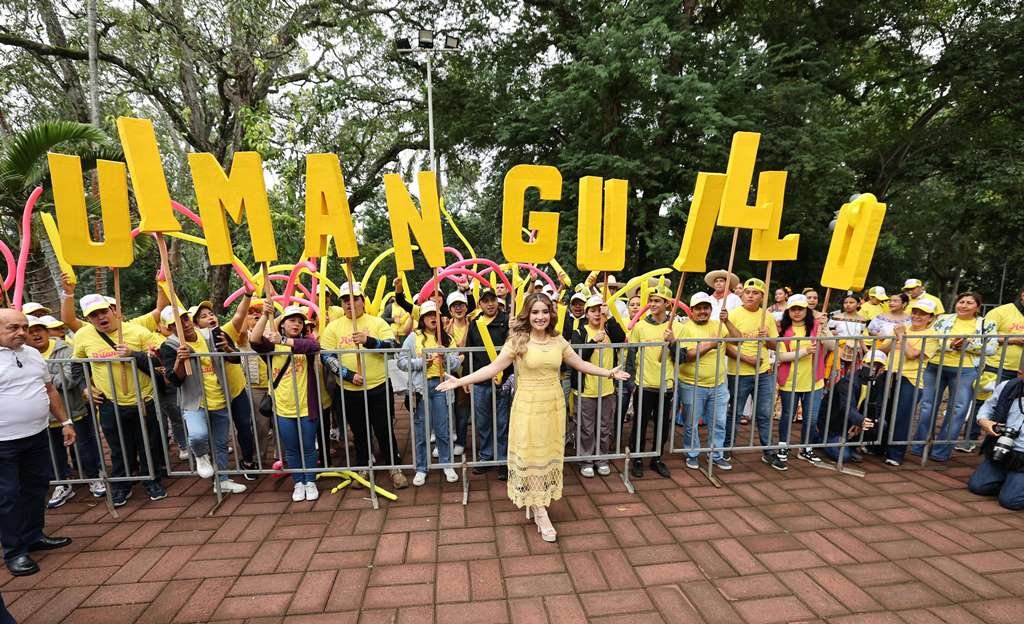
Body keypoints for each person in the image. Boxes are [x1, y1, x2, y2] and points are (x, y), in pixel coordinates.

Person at [437, 293, 629, 541]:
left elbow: (580, 364)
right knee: (532, 455)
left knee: (547, 454)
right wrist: (461, 380)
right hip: (528, 407)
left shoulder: (558, 341)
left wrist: (609, 373)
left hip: (554, 406)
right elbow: (493, 367)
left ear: (551, 314)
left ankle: (536, 502)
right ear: (528, 314)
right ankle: (540, 511)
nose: (540, 317)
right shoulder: (518, 340)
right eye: (535, 312)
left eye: (544, 312)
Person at [72, 294, 167, 505]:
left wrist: (135, 354)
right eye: (93, 315)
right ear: (88, 319)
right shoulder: (82, 336)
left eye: (103, 312)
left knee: (148, 445)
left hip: (144, 400)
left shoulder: (139, 332)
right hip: (109, 403)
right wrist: (85, 387)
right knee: (117, 446)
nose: (100, 318)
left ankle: (152, 480)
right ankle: (121, 485)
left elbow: (160, 366)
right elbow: (77, 366)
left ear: (114, 310)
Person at [0, 308, 74, 577]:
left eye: (24, 326)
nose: (22, 332)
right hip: (3, 442)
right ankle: (15, 551)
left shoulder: (32, 354)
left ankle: (33, 536)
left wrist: (65, 422)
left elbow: (49, 388)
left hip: (37, 435)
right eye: (13, 328)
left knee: (37, 487)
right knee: (7, 496)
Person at [320, 282, 407, 489]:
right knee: (358, 431)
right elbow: (326, 357)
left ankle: (394, 467)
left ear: (363, 300)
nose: (350, 304)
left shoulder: (377, 323)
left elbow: (392, 346)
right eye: (345, 300)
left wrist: (369, 341)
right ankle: (364, 468)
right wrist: (348, 375)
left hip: (378, 387)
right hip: (349, 390)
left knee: (384, 428)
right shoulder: (333, 327)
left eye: (354, 299)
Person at [158, 307, 247, 495]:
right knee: (198, 435)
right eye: (176, 323)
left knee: (221, 443)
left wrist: (226, 348)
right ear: (170, 328)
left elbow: (236, 358)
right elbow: (174, 379)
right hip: (194, 402)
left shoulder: (210, 334)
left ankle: (221, 480)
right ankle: (200, 455)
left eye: (185, 319)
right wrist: (180, 361)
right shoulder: (169, 346)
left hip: (219, 398)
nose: (183, 324)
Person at [22, 316, 103, 507]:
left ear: (47, 330)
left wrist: (39, 380)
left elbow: (68, 379)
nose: (35, 334)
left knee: (84, 447)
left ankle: (93, 477)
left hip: (73, 410)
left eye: (39, 329)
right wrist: (46, 380)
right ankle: (62, 483)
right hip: (44, 416)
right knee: (54, 452)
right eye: (31, 331)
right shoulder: (22, 355)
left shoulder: (65, 348)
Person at [250, 305, 326, 501]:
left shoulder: (304, 342)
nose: (296, 324)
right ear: (282, 323)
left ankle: (310, 481)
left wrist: (285, 340)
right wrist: (266, 316)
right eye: (292, 320)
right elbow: (254, 340)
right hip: (283, 408)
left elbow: (314, 347)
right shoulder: (272, 346)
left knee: (309, 446)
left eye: (300, 321)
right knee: (291, 448)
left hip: (306, 407)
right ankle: (298, 482)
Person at [912, 292, 995, 461]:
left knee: (957, 410)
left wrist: (968, 344)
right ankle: (919, 445)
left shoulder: (986, 324)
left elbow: (992, 347)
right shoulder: (943, 319)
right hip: (935, 366)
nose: (963, 305)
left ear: (977, 307)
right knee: (927, 406)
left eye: (969, 303)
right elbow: (934, 339)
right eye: (961, 301)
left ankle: (941, 451)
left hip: (966, 370)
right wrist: (952, 344)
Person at [191, 297, 259, 479]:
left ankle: (248, 461)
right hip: (211, 395)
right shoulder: (193, 343)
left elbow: (239, 314)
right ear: (196, 324)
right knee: (214, 434)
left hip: (236, 390)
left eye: (211, 314)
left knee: (244, 426)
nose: (210, 317)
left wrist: (247, 295)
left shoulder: (225, 331)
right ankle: (218, 470)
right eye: (203, 316)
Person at [397, 301, 462, 485]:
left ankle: (446, 463)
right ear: (423, 318)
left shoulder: (447, 338)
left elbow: (457, 363)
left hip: (442, 386)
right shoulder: (412, 338)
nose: (433, 318)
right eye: (428, 315)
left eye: (435, 314)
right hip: (420, 389)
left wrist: (446, 357)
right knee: (421, 429)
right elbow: (402, 362)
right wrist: (421, 363)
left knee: (443, 428)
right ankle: (421, 468)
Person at [724, 278, 784, 470]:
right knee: (735, 412)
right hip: (738, 373)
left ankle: (768, 451)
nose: (750, 295)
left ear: (762, 296)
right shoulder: (732, 314)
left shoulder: (767, 317)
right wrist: (746, 359)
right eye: (747, 291)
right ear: (742, 294)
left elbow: (775, 344)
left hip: (764, 373)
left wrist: (766, 338)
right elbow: (726, 346)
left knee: (765, 413)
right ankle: (726, 448)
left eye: (755, 292)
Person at [625, 285, 684, 478]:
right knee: (640, 424)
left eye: (657, 301)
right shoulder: (640, 326)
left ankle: (656, 459)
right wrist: (631, 382)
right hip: (644, 385)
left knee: (662, 425)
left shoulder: (677, 327)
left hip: (665, 386)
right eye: (651, 300)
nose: (652, 304)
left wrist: (673, 341)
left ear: (667, 303)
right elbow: (631, 355)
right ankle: (638, 459)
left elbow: (682, 358)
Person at [676, 292, 740, 470]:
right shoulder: (684, 328)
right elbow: (685, 356)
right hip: (691, 384)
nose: (703, 311)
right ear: (692, 311)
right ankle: (692, 453)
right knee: (691, 423)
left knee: (719, 422)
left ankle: (716, 454)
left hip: (719, 384)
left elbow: (738, 339)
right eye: (699, 308)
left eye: (706, 308)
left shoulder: (718, 325)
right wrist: (710, 345)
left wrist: (727, 321)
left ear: (711, 309)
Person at [571, 294, 626, 477]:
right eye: (592, 310)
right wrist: (593, 341)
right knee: (586, 428)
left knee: (604, 427)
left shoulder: (609, 329)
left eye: (599, 310)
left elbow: (622, 337)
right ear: (586, 313)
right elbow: (578, 358)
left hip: (607, 389)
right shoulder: (579, 332)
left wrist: (609, 317)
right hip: (586, 389)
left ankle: (602, 459)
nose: (596, 314)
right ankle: (586, 460)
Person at [777, 294, 835, 464]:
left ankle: (806, 448)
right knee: (787, 415)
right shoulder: (783, 330)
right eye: (793, 309)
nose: (796, 312)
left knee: (811, 417)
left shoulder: (817, 327)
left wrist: (824, 329)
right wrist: (804, 351)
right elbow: (781, 355)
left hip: (814, 380)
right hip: (790, 380)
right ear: (788, 311)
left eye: (800, 309)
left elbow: (832, 346)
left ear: (806, 310)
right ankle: (783, 445)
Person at [880, 299, 939, 465]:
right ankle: (879, 447)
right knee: (884, 412)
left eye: (922, 314)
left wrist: (901, 337)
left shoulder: (932, 336)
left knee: (902, 416)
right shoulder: (902, 329)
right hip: (889, 373)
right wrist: (893, 337)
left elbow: (912, 354)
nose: (917, 316)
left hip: (910, 379)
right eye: (915, 312)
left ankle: (895, 453)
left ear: (930, 318)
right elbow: (883, 349)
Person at [464, 287, 513, 479]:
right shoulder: (475, 324)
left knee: (502, 422)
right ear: (480, 304)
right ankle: (486, 456)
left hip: (503, 381)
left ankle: (502, 460)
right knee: (482, 421)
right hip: (480, 380)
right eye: (485, 301)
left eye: (493, 299)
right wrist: (467, 377)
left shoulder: (508, 321)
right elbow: (469, 351)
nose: (490, 304)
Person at [967, 368, 1024, 510]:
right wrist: (984, 421)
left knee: (1010, 501)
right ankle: (1011, 481)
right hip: (1003, 446)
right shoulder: (1008, 386)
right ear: (1020, 373)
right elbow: (988, 406)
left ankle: (1014, 484)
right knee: (977, 486)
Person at [815, 351, 885, 463]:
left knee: (881, 424)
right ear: (862, 363)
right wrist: (859, 420)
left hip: (851, 422)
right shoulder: (849, 382)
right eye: (869, 364)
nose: (873, 368)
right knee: (844, 456)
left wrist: (864, 422)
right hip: (833, 423)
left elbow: (875, 407)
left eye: (877, 366)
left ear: (881, 369)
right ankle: (819, 438)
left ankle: (848, 443)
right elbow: (847, 406)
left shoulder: (876, 383)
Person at [443, 291, 471, 457]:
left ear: (467, 307)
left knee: (462, 411)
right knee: (447, 410)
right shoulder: (444, 329)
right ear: (450, 309)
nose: (458, 308)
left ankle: (461, 441)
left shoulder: (474, 325)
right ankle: (446, 441)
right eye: (455, 305)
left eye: (461, 304)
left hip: (468, 373)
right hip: (450, 374)